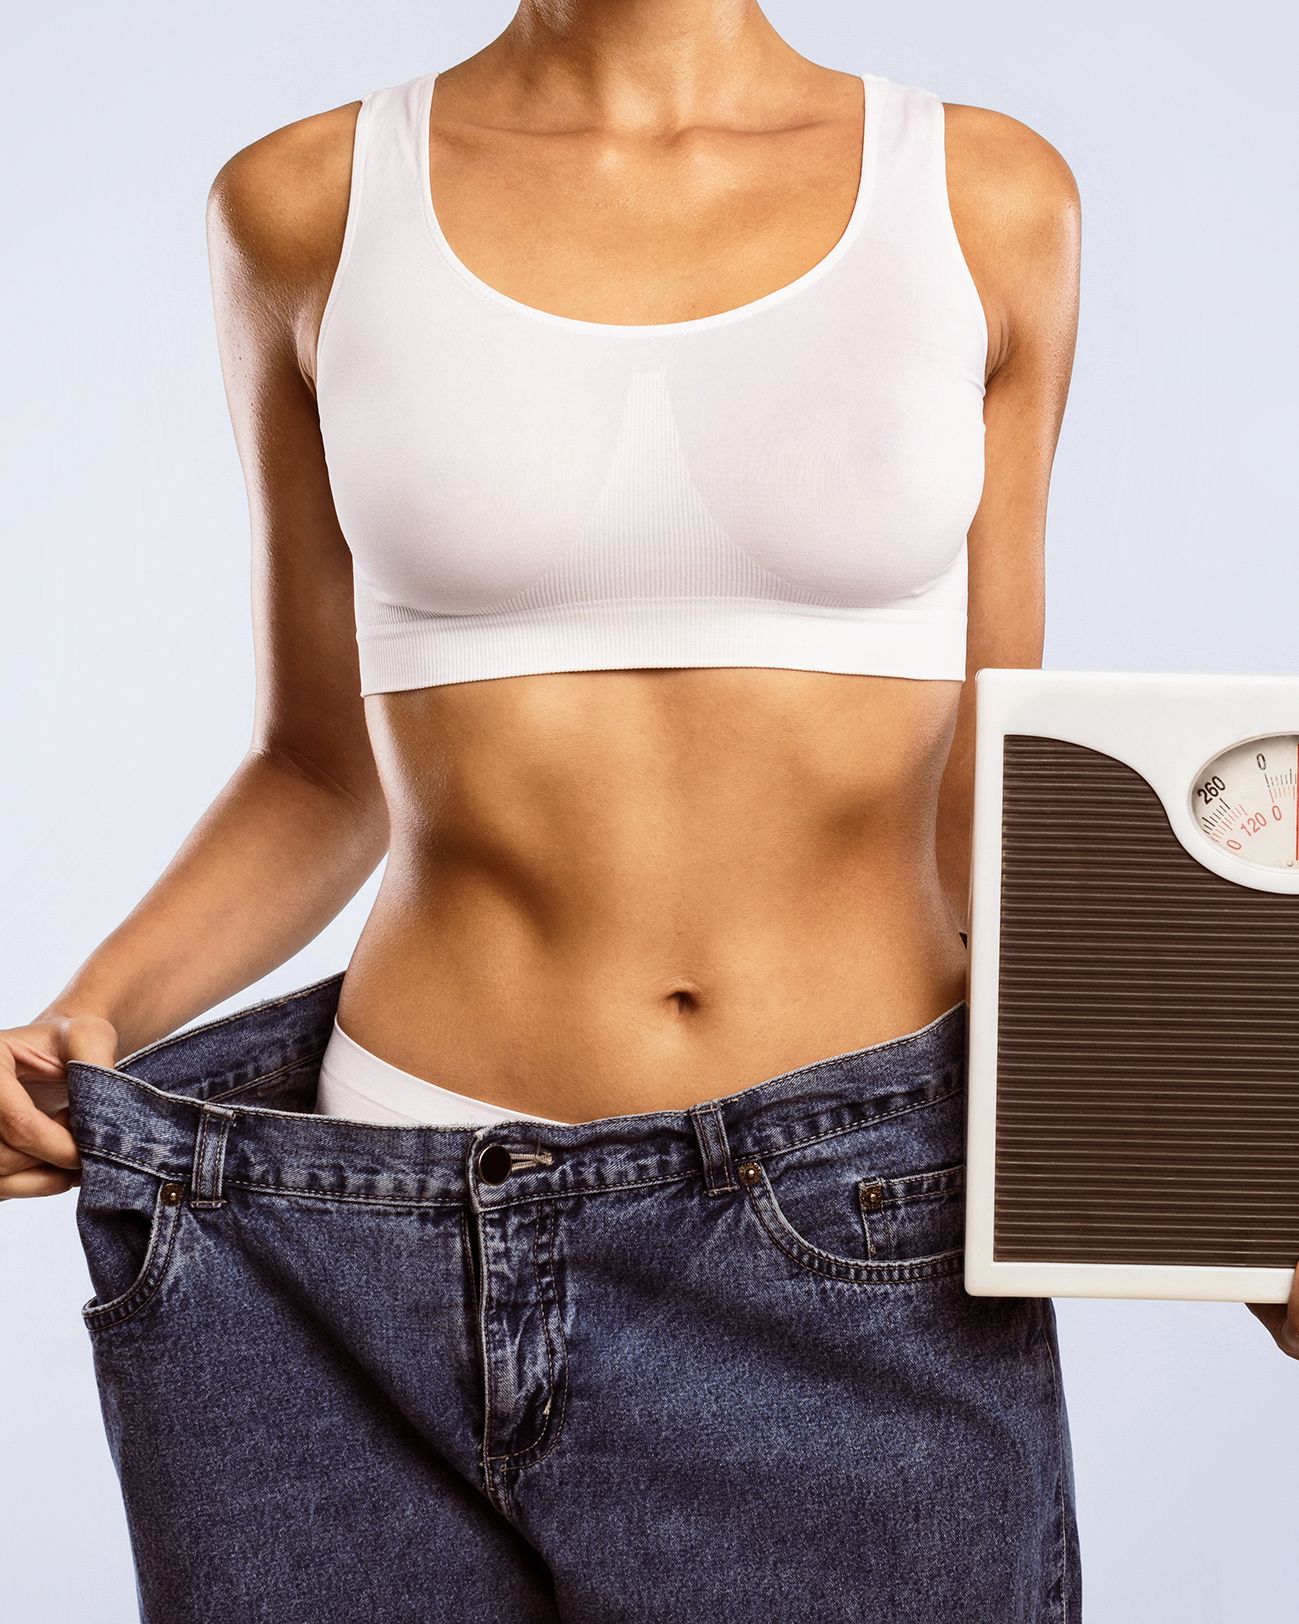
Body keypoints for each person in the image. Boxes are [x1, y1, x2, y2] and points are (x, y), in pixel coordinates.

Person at [11, 7, 1282, 1622]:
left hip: (855, 1234)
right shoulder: (307, 199)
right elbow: (320, 770)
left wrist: (1226, 1193)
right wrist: (88, 1019)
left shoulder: (983, 196)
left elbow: (997, 793)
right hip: (368, 1240)